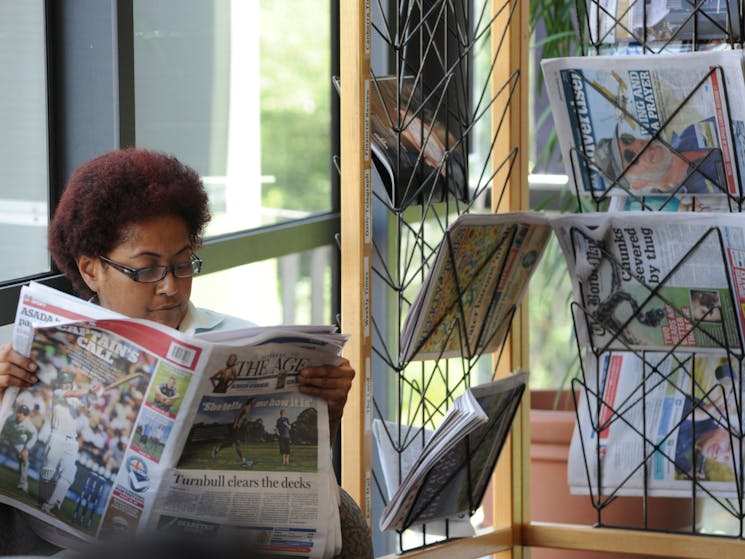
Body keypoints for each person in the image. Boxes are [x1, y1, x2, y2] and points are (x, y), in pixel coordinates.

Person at [0, 147, 355, 554]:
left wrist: (327, 413)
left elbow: (299, 494)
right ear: (90, 269)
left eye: (183, 264)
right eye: (147, 269)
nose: (170, 286)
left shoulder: (247, 342)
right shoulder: (36, 355)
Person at [592, 120, 727, 195]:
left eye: (628, 140)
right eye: (630, 157)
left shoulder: (689, 133)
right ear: (638, 184)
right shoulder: (691, 202)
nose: (638, 144)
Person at [0, 403, 38, 492]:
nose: (20, 414)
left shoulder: (29, 425)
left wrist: (25, 450)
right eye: (20, 412)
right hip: (5, 435)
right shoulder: (10, 418)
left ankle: (23, 485)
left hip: (17, 441)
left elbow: (34, 437)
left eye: (24, 413)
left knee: (25, 461)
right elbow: (3, 427)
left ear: (26, 416)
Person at [212, 398, 255, 468]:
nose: (254, 402)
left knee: (230, 444)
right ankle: (244, 462)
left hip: (238, 427)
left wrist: (247, 419)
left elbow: (243, 416)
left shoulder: (249, 408)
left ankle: (217, 449)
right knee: (237, 444)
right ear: (250, 401)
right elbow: (238, 414)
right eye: (253, 401)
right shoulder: (245, 406)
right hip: (235, 427)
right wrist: (235, 423)